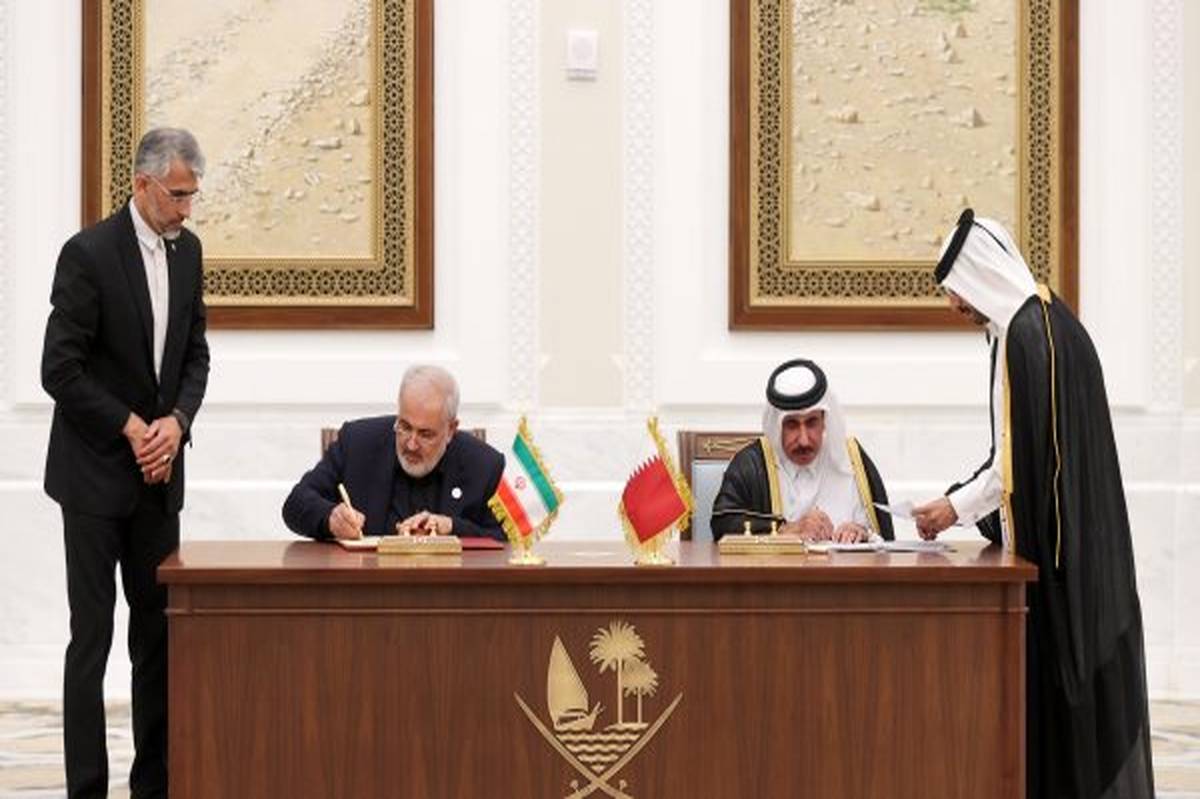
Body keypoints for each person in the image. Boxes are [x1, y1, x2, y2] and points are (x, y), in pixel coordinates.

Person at [912, 209, 1154, 799]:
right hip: (1076, 548)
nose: (954, 305)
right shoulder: (1040, 321)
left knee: (1064, 703)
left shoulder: (1029, 335)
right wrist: (962, 501)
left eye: (955, 291)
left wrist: (953, 508)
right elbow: (1017, 455)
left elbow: (1014, 467)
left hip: (1062, 563)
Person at [41, 127, 210, 798]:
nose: (187, 208)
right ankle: (86, 788)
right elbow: (59, 369)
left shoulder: (189, 252)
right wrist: (132, 426)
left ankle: (154, 787)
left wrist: (176, 422)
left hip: (159, 481)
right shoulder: (87, 254)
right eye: (178, 195)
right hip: (92, 479)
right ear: (142, 185)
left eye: (193, 195)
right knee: (92, 641)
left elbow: (195, 355)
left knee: (157, 640)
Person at [283, 364, 505, 541]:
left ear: (451, 430)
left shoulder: (484, 464)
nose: (411, 444)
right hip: (366, 582)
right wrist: (330, 518)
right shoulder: (357, 443)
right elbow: (295, 504)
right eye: (404, 427)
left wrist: (452, 527)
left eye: (426, 434)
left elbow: (507, 541)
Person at [711, 358, 893, 542]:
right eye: (792, 424)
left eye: (812, 422)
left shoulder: (853, 461)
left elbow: (883, 540)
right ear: (777, 426)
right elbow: (722, 524)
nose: (804, 440)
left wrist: (862, 533)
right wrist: (785, 529)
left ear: (824, 421)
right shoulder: (751, 464)